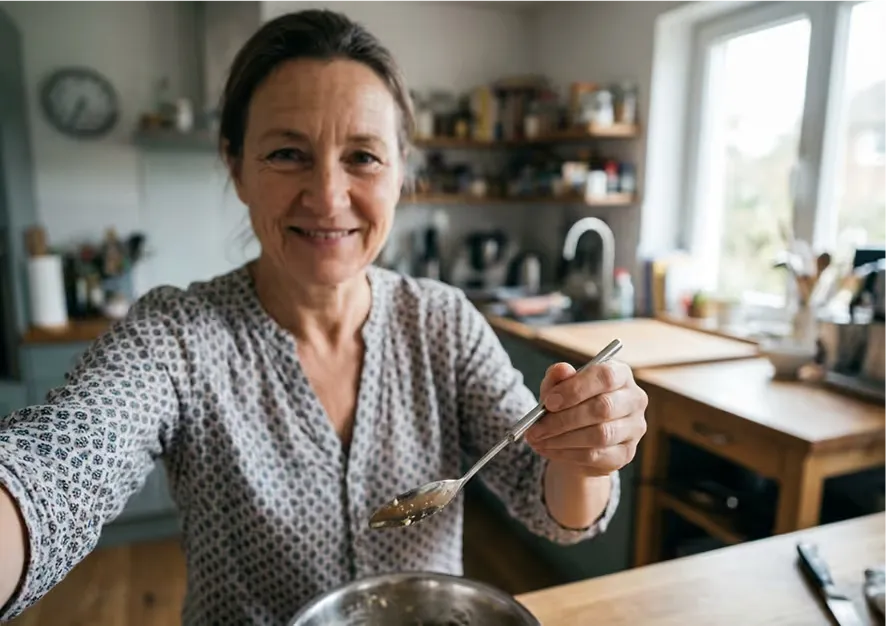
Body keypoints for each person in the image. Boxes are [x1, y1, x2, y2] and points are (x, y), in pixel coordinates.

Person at [0, 9, 648, 625]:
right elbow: (54, 469)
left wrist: (586, 455)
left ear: (399, 174)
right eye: (287, 154)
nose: (328, 197)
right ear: (236, 167)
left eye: (363, 156)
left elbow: (554, 508)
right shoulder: (176, 336)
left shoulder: (443, 323)